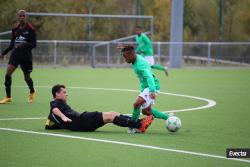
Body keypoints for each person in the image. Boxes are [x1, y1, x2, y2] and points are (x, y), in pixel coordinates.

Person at [45, 84, 153, 133]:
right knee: (111, 116)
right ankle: (139, 125)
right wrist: (63, 117)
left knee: (113, 113)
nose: (66, 94)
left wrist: (54, 124)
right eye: (64, 92)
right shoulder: (55, 103)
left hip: (82, 122)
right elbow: (55, 110)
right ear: (57, 94)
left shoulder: (57, 107)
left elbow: (49, 124)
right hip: (81, 121)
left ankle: (138, 123)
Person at [120, 45, 172, 133]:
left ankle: (132, 126)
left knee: (136, 104)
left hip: (151, 86)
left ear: (132, 55)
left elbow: (149, 77)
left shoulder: (140, 65)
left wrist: (152, 91)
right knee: (146, 111)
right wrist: (125, 48)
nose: (125, 60)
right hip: (146, 87)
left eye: (126, 57)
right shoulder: (135, 57)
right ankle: (169, 118)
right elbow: (132, 51)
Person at [0, 10, 36, 104]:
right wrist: (4, 53)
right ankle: (8, 97)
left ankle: (32, 92)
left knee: (26, 78)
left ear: (26, 17)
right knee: (8, 73)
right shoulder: (15, 28)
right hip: (15, 55)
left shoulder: (31, 29)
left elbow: (34, 44)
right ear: (18, 17)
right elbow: (12, 43)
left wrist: (24, 44)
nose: (22, 17)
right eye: (20, 16)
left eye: (23, 16)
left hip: (26, 57)